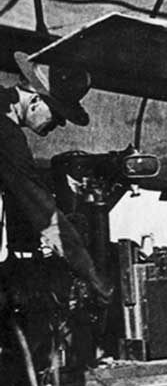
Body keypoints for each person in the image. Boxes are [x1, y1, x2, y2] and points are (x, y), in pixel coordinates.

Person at [0, 53, 106, 294]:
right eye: (57, 114)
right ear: (35, 100)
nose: (59, 124)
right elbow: (41, 210)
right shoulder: (6, 133)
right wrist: (88, 271)